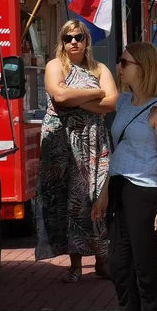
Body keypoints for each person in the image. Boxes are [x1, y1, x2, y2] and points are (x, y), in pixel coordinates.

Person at [94, 42, 157, 311]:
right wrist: (103, 194)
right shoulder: (124, 102)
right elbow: (118, 152)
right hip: (118, 188)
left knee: (145, 265)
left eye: (124, 62)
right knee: (118, 263)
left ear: (143, 67)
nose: (119, 66)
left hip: (145, 192)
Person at [35, 20, 117, 282]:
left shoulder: (99, 68)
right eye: (68, 37)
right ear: (62, 40)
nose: (73, 42)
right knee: (69, 200)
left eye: (78, 37)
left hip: (93, 141)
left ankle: (103, 259)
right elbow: (58, 96)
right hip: (61, 142)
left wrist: (77, 100)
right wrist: (96, 93)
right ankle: (75, 264)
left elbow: (112, 102)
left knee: (95, 197)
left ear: (86, 41)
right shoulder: (55, 66)